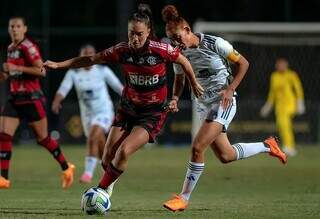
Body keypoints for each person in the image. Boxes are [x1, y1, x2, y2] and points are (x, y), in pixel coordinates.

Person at [43, 6, 204, 197]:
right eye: (131, 34)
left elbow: (184, 62)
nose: (134, 38)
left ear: (148, 32)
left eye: (139, 34)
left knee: (124, 151)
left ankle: (100, 192)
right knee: (106, 160)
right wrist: (58, 64)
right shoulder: (122, 50)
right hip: (128, 109)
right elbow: (91, 59)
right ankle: (107, 186)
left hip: (152, 113)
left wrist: (193, 83)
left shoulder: (160, 49)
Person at [161, 5, 288, 212]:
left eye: (177, 37)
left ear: (187, 30)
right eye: (171, 38)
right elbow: (179, 78)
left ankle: (183, 197)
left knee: (197, 147)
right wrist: (174, 97)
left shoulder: (214, 43)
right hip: (203, 104)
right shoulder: (178, 52)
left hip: (223, 102)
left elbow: (244, 63)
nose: (175, 42)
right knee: (226, 156)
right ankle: (268, 145)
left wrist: (230, 89)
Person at [0, 16, 75, 189]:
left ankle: (66, 167)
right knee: (3, 135)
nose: (14, 29)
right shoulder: (11, 48)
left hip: (31, 99)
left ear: (24, 29)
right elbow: (10, 74)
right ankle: (4, 179)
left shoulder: (29, 47)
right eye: (12, 26)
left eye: (18, 26)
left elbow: (41, 71)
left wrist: (16, 68)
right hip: (14, 98)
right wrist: (5, 74)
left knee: (43, 139)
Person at [52, 44, 123, 184]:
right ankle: (109, 172)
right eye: (85, 54)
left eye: (90, 53)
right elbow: (63, 88)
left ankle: (87, 174)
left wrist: (133, 99)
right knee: (101, 144)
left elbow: (118, 86)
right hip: (87, 115)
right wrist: (56, 101)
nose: (88, 56)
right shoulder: (74, 73)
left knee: (92, 136)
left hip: (104, 111)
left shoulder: (102, 70)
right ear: (80, 56)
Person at [260, 58, 305, 156]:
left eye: (283, 65)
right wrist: (268, 106)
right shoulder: (274, 76)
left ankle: (289, 146)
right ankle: (288, 146)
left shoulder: (291, 75)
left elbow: (298, 89)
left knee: (285, 124)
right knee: (282, 126)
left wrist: (300, 102)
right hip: (279, 107)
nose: (281, 67)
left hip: (290, 104)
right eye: (279, 65)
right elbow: (272, 93)